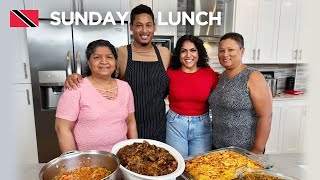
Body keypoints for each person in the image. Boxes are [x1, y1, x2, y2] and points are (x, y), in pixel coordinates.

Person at [63, 4, 171, 142]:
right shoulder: (121, 53)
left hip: (158, 125)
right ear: (131, 27)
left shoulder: (165, 54)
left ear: (154, 27)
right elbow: (101, 76)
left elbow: (179, 77)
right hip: (126, 126)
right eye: (138, 25)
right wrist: (76, 77)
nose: (144, 30)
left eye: (148, 25)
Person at [55, 39, 138, 153]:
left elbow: (130, 122)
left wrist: (135, 151)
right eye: (97, 57)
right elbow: (62, 128)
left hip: (122, 156)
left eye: (109, 57)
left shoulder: (125, 87)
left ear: (115, 62)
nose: (104, 61)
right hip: (88, 159)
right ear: (89, 63)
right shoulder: (76, 87)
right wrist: (74, 162)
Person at [208, 32, 272, 154]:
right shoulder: (221, 77)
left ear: (242, 51)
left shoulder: (253, 76)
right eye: (221, 50)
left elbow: (266, 116)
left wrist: (257, 151)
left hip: (245, 151)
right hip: (218, 148)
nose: (225, 54)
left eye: (230, 50)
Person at [165, 35, 219, 157]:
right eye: (184, 51)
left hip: (202, 127)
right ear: (178, 54)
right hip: (175, 125)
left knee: (199, 167)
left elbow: (218, 99)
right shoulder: (170, 73)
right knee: (177, 165)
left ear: (199, 53)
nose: (188, 55)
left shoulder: (210, 74)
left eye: (193, 50)